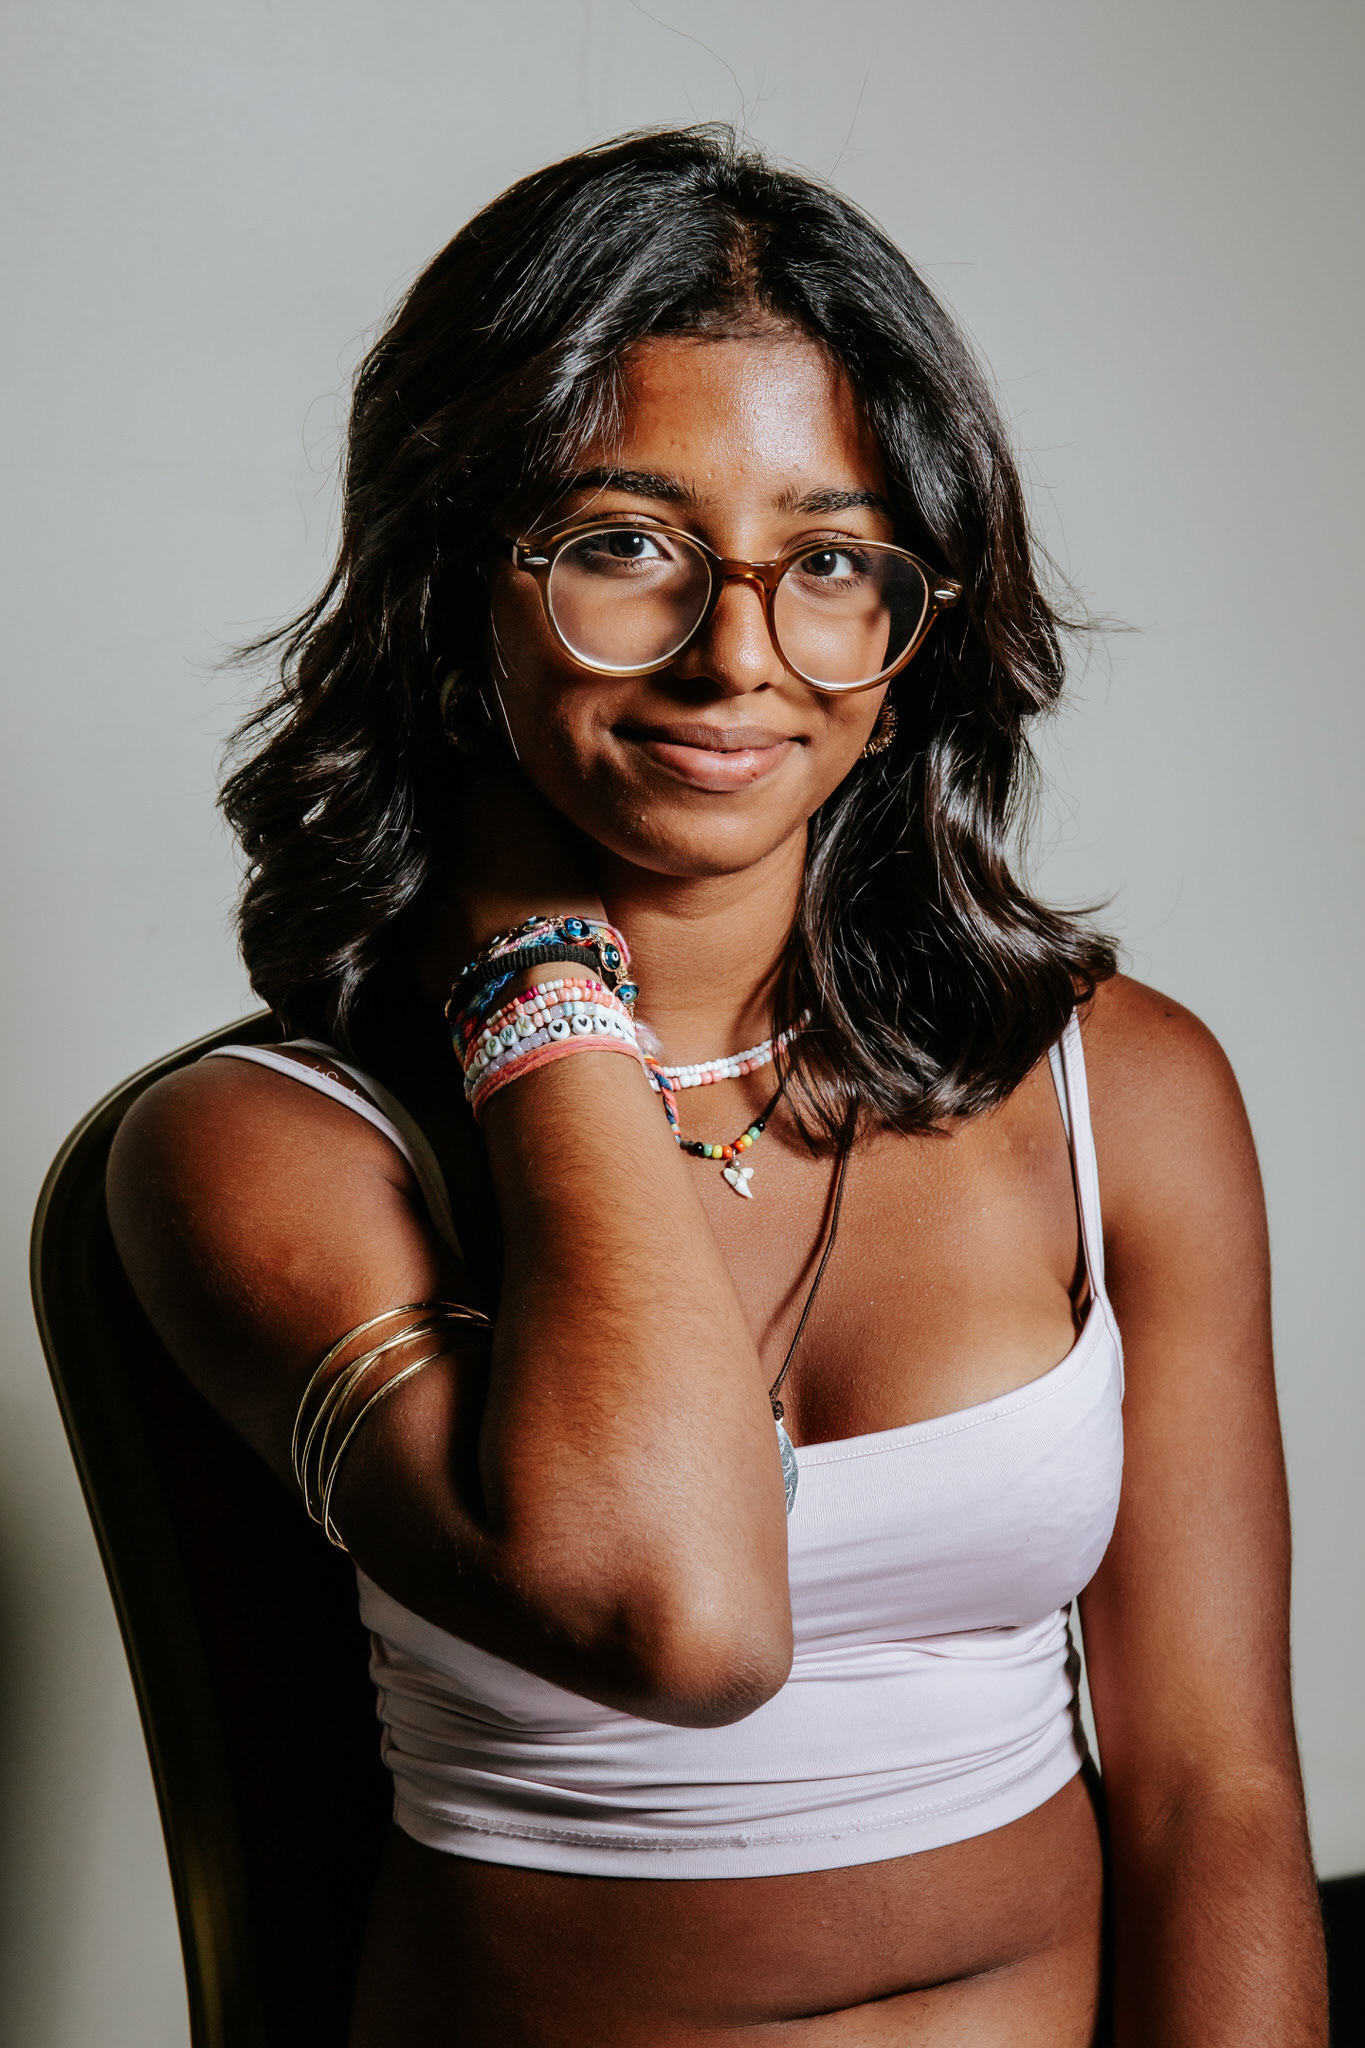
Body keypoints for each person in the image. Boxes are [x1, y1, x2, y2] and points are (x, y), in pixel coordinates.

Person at [106, 126, 1328, 2046]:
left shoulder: (1120, 1089)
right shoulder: (255, 1153)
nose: (735, 657)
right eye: (623, 546)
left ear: (915, 626)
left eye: (827, 561)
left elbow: (1214, 1795)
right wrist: (536, 973)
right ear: (455, 588)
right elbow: (682, 1617)